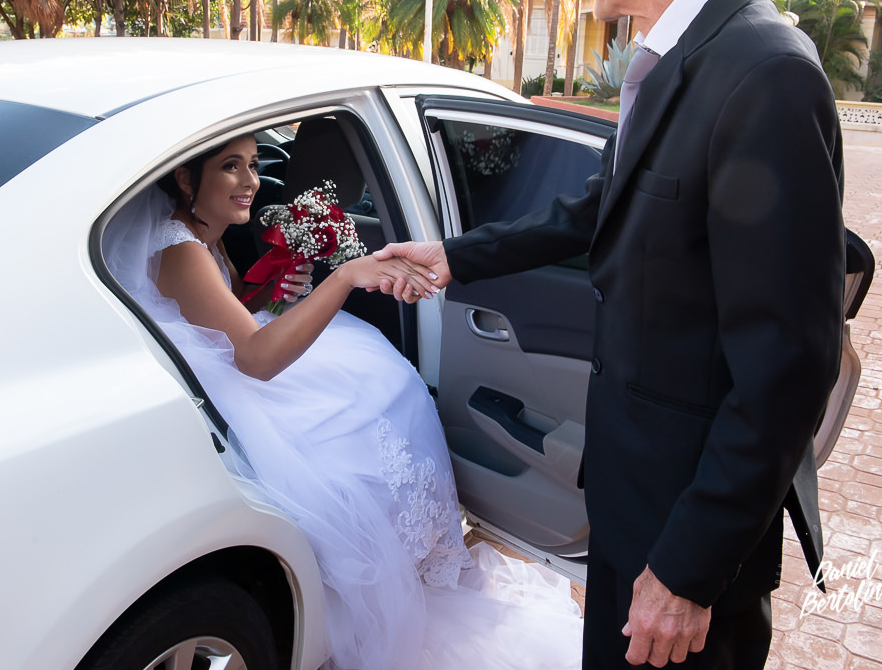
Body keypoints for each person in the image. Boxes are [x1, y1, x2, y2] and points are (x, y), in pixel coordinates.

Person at [375, 0, 847, 668]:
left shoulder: (767, 74)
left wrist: (689, 569)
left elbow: (789, 368)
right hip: (634, 505)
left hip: (687, 534)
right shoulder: (674, 54)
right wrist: (455, 256)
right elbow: (601, 206)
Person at [105, 134, 583, 670]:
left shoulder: (203, 234)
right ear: (186, 179)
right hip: (224, 389)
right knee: (367, 405)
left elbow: (222, 315)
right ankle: (379, 578)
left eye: (254, 165)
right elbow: (256, 359)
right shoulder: (180, 247)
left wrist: (280, 292)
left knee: (380, 384)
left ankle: (404, 565)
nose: (250, 182)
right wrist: (344, 276)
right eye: (230, 167)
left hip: (229, 367)